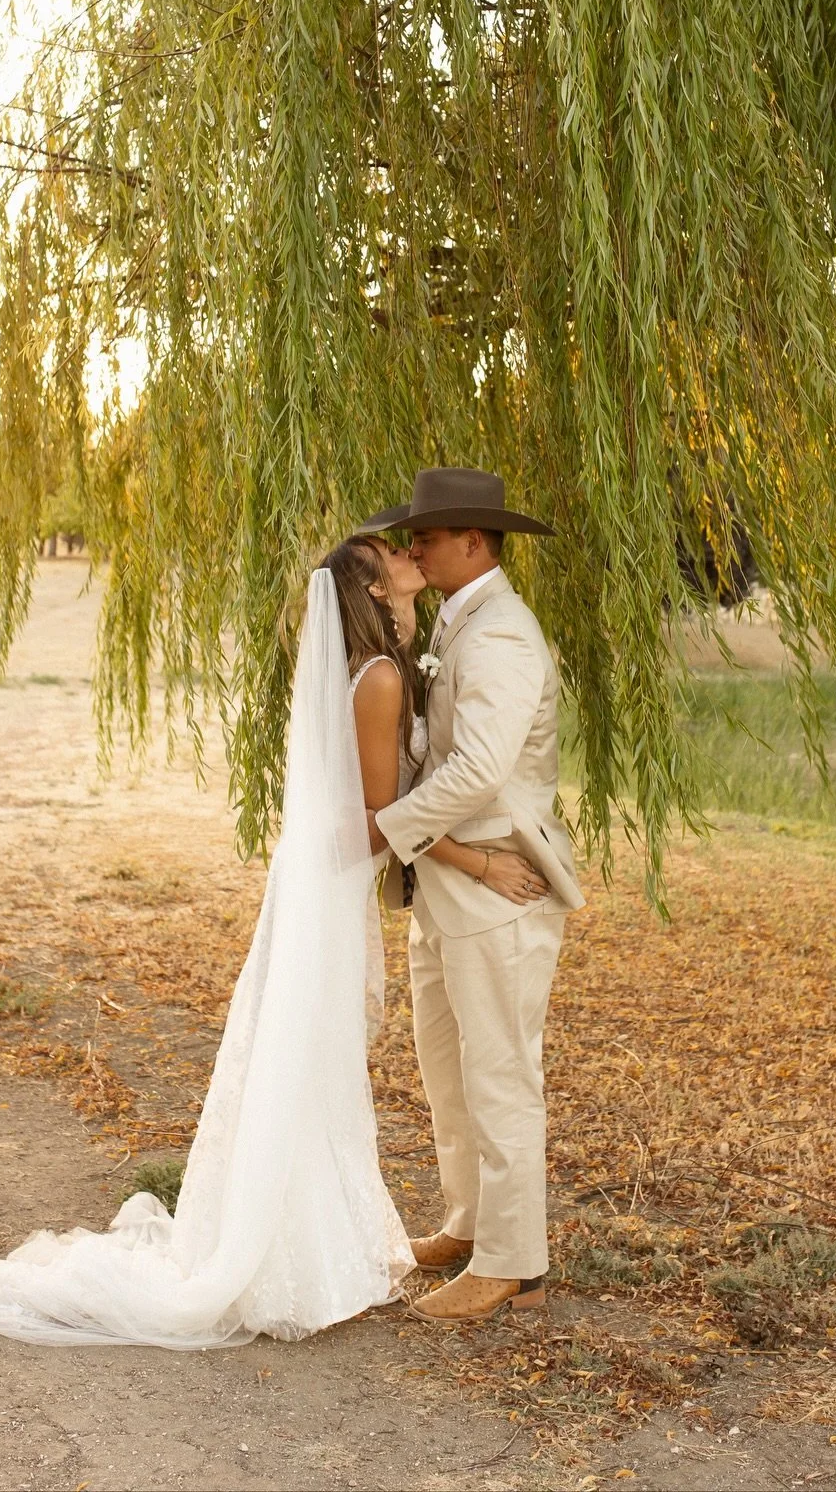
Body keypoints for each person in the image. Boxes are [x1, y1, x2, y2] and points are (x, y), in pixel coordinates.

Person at [0, 534, 429, 1349]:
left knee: (312, 1053)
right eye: (392, 557)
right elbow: (373, 816)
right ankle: (290, 1254)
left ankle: (319, 1245)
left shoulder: (376, 670)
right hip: (332, 884)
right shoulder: (375, 681)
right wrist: (445, 834)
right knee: (310, 1053)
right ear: (370, 592)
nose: (409, 554)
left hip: (323, 881)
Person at [361, 466, 584, 1324]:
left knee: (498, 1075)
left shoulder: (501, 637)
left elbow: (482, 769)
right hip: (449, 880)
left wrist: (389, 828)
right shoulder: (462, 622)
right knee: (447, 1069)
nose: (413, 546)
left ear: (475, 541)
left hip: (499, 884)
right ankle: (468, 1223)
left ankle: (511, 1263)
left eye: (427, 534)